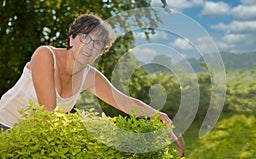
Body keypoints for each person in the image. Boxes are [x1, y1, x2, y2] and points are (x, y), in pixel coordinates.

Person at [0, 14, 184, 156]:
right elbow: (47, 114)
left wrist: (160, 117)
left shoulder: (90, 76)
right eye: (85, 37)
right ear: (72, 38)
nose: (90, 46)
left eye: (98, 43)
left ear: (101, 52)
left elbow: (125, 102)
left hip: (34, 141)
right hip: (4, 128)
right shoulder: (45, 55)